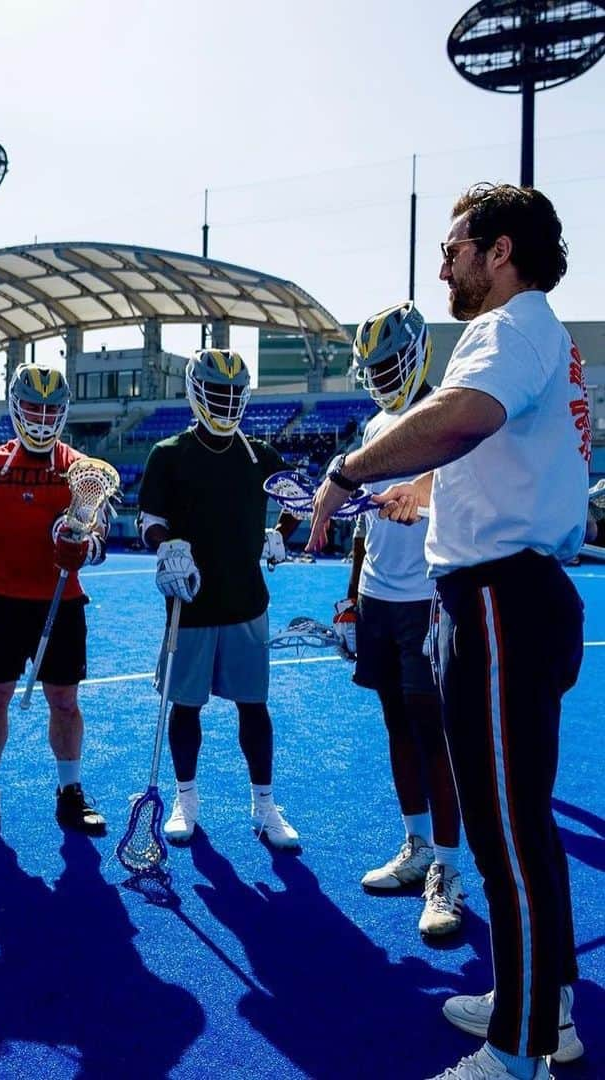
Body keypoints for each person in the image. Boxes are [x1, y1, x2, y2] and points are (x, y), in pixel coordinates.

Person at [307, 184, 586, 1079]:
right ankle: (545, 1008)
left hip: (502, 601)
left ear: (499, 251)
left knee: (507, 830)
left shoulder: (510, 327)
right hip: (508, 593)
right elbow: (500, 455)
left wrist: (348, 471)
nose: (443, 264)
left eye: (454, 246)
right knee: (520, 822)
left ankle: (517, 1055)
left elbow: (465, 416)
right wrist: (419, 494)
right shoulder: (541, 332)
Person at [136, 348, 300, 848]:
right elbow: (149, 523)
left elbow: (299, 498)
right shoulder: (169, 454)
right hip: (191, 607)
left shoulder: (259, 455)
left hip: (248, 603)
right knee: (186, 708)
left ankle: (265, 807)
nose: (226, 402)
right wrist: (168, 545)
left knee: (255, 707)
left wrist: (281, 532)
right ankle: (187, 802)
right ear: (196, 392)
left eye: (234, 393)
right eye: (218, 392)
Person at [338, 301, 463, 939]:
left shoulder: (451, 417)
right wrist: (351, 595)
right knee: (396, 724)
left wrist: (424, 501)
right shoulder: (375, 427)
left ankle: (448, 869)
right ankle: (417, 846)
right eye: (374, 365)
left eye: (389, 361)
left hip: (429, 598)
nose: (382, 373)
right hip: (381, 599)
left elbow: (468, 506)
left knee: (430, 731)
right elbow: (363, 520)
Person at [0, 363, 109, 839]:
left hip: (61, 603)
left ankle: (71, 791)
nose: (41, 417)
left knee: (64, 701)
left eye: (50, 409)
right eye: (33, 407)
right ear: (16, 407)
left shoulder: (83, 470)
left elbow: (97, 541)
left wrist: (83, 548)